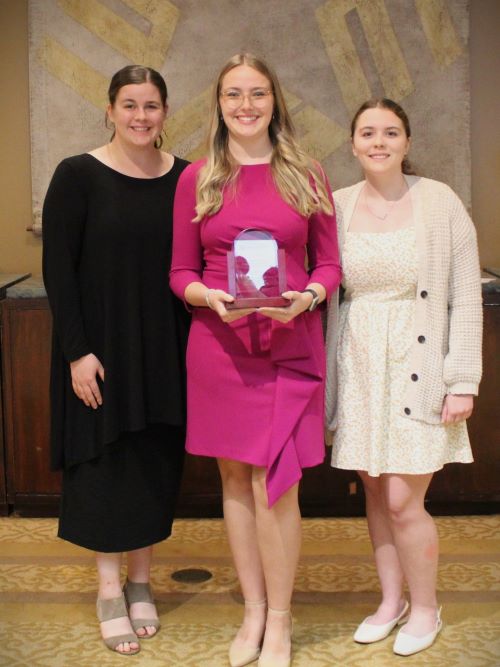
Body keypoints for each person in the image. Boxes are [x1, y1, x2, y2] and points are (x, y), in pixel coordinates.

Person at [170, 53, 341, 667]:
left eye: (257, 93)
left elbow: (330, 263)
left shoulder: (307, 173)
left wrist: (309, 297)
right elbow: (180, 270)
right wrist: (207, 297)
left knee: (277, 483)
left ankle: (281, 621)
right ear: (218, 104)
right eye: (233, 94)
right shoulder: (198, 178)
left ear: (275, 101)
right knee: (235, 481)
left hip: (289, 345)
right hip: (219, 347)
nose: (246, 105)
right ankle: (253, 611)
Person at [325, 98, 482, 657]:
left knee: (401, 500)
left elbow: (465, 296)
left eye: (390, 132)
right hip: (359, 365)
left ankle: (426, 608)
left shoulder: (440, 201)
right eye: (368, 132)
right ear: (353, 143)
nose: (379, 142)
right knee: (373, 488)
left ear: (407, 142)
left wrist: (461, 380)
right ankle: (390, 601)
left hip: (418, 367)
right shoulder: (337, 205)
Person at [42, 65, 190, 656]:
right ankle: (109, 589)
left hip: (164, 347)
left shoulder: (185, 178)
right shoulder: (77, 174)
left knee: (153, 462)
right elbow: (59, 270)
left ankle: (141, 581)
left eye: (151, 105)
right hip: (99, 349)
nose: (140, 116)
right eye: (129, 105)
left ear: (165, 112)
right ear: (109, 110)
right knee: (106, 465)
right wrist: (76, 352)